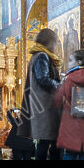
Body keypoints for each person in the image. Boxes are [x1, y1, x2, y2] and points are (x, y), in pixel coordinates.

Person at [53, 49, 84, 160]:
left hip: (70, 122)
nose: (68, 63)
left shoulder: (68, 79)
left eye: (71, 60)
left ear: (79, 62)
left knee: (70, 154)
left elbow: (57, 100)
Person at [25, 27, 62, 160]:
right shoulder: (42, 56)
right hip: (46, 107)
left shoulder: (38, 55)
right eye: (55, 42)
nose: (56, 45)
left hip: (43, 106)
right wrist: (61, 85)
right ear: (50, 41)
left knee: (46, 142)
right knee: (47, 142)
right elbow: (44, 79)